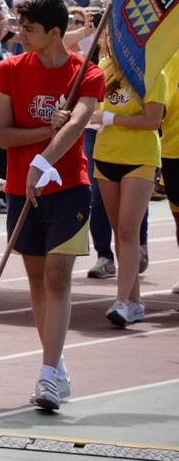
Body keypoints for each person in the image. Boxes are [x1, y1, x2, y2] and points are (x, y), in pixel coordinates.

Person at [0, 0, 103, 411]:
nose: (20, 34)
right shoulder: (9, 70)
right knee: (37, 280)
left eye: (29, 29)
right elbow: (3, 135)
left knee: (58, 277)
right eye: (20, 25)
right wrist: (42, 135)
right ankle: (56, 360)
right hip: (22, 189)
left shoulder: (86, 73)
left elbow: (77, 124)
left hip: (68, 186)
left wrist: (45, 159)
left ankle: (48, 373)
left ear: (55, 32)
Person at [93, 58, 163, 328]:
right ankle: (134, 302)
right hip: (106, 155)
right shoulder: (104, 66)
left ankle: (122, 301)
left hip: (140, 157)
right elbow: (95, 108)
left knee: (127, 231)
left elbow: (152, 120)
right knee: (118, 232)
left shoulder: (152, 70)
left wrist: (111, 118)